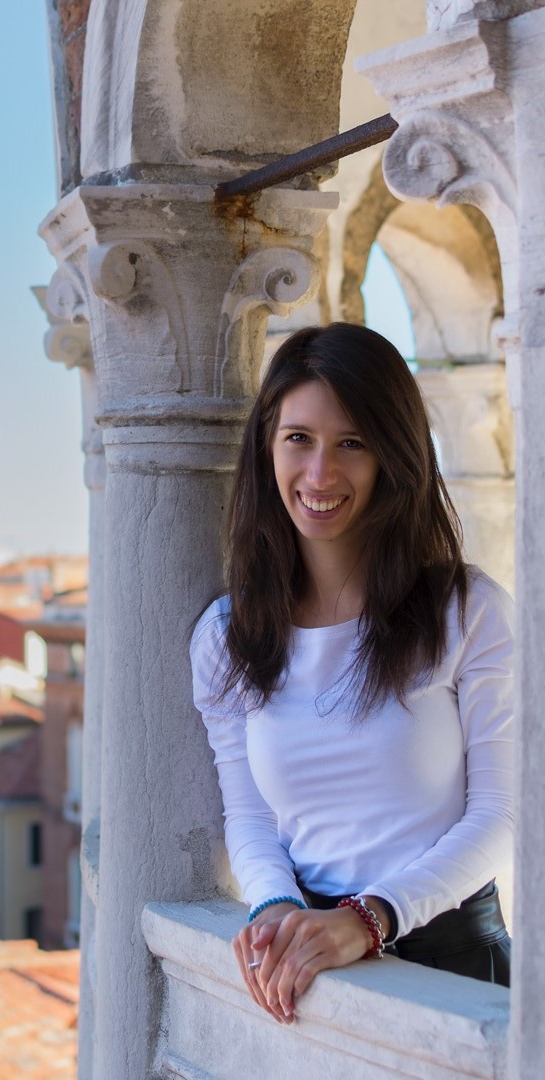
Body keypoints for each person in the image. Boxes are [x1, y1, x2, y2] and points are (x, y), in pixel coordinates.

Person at [190, 323, 513, 1026]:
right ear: (267, 448)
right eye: (299, 439)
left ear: (393, 457)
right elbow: (250, 814)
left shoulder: (469, 611)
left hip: (453, 966)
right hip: (308, 971)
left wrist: (369, 920)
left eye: (353, 443)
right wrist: (275, 906)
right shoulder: (227, 636)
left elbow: (503, 814)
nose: (320, 474)